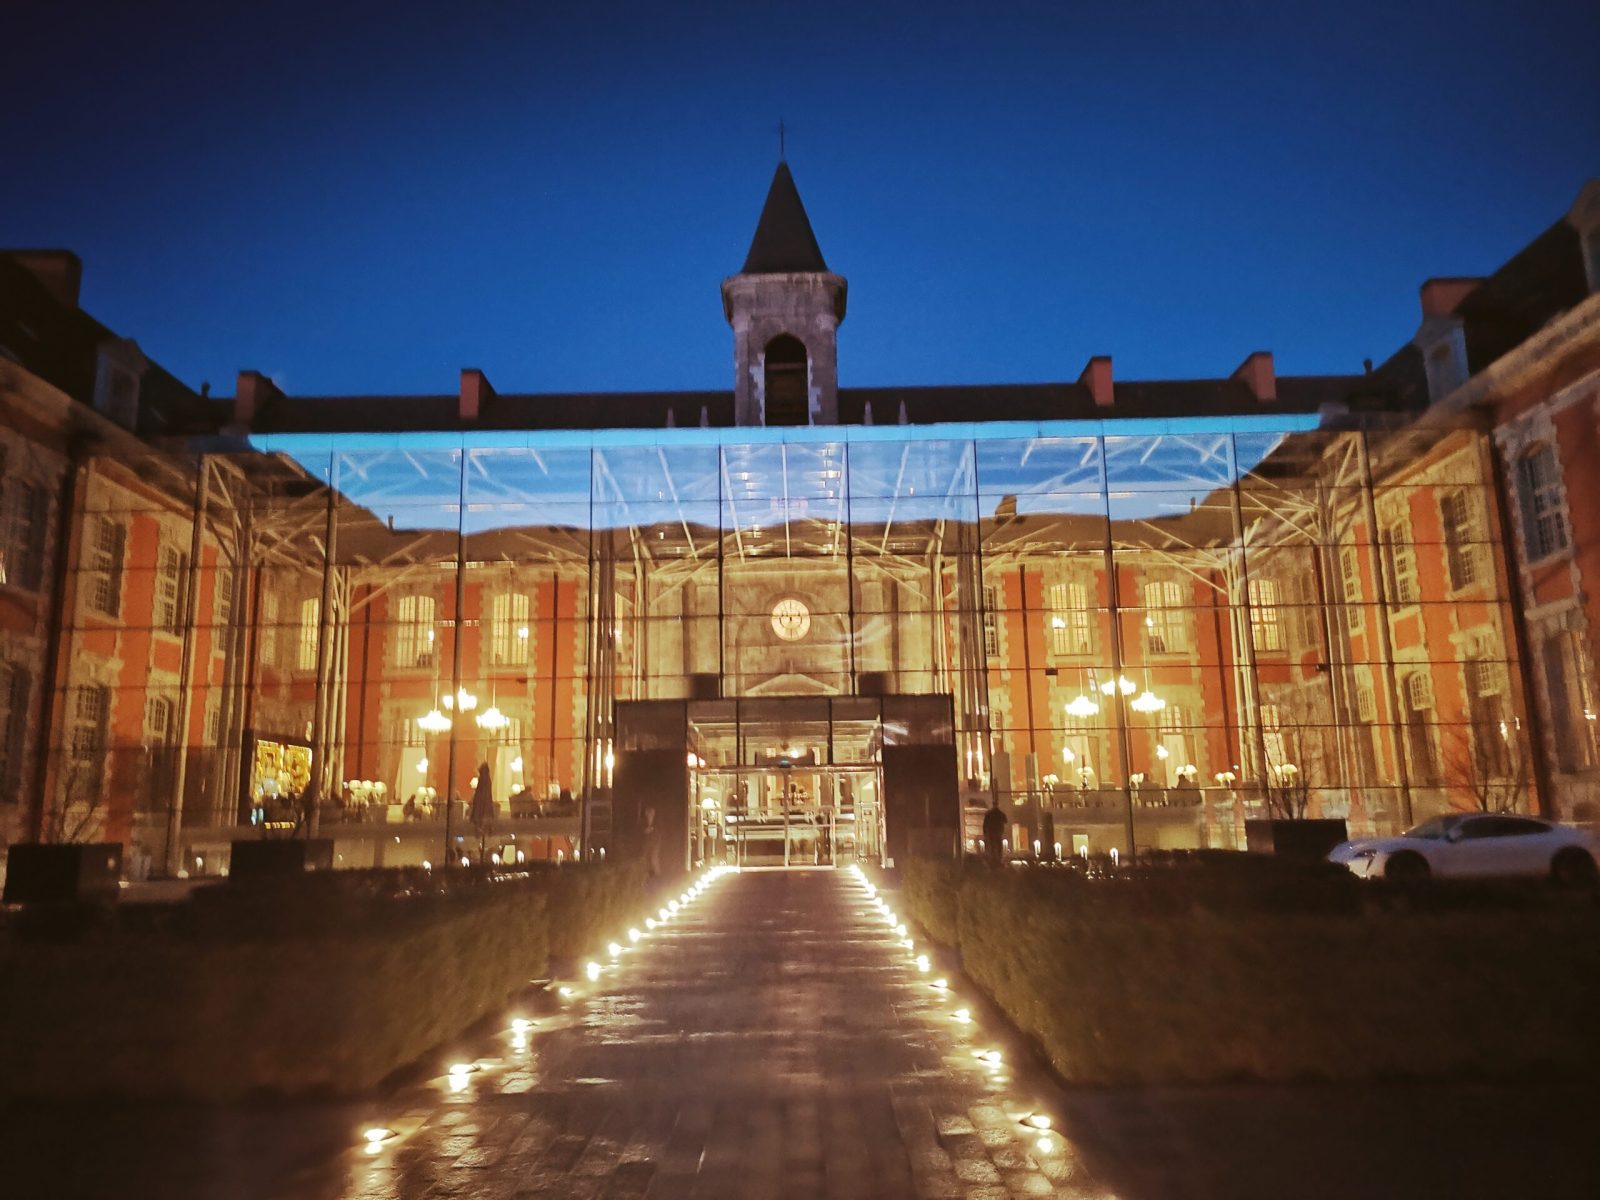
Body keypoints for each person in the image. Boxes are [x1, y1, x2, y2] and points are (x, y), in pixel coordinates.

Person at [982, 798, 1008, 868]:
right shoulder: (1000, 814)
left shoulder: (989, 814)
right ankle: (997, 857)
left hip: (992, 832)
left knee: (993, 845)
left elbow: (985, 825)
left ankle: (993, 857)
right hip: (997, 832)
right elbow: (1006, 821)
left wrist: (985, 833)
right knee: (997, 845)